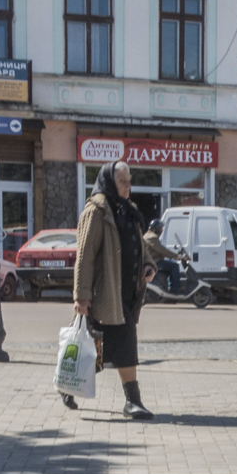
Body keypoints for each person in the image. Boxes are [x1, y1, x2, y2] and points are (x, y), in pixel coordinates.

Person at [72, 161, 155, 419]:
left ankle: (68, 384)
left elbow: (140, 245)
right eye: (122, 181)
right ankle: (133, 401)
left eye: (129, 182)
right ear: (109, 181)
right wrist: (81, 296)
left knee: (97, 348)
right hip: (105, 294)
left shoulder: (128, 210)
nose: (128, 186)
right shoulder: (96, 211)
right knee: (121, 340)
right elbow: (84, 256)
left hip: (127, 292)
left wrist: (148, 264)